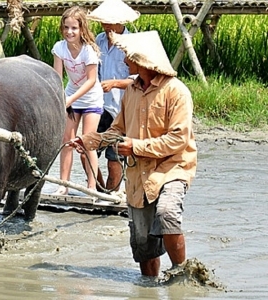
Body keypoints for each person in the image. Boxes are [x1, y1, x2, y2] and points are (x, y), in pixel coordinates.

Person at [68, 30, 197, 277]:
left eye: (128, 57)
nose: (125, 61)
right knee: (142, 242)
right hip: (139, 173)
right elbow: (117, 130)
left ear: (143, 60)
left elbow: (178, 139)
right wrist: (89, 141)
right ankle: (148, 287)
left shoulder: (176, 91)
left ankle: (182, 274)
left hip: (172, 168)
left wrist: (135, 147)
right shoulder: (132, 91)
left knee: (167, 213)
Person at [82, 0, 140, 193]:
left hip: (122, 109)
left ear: (120, 21)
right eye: (103, 21)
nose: (105, 25)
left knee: (114, 160)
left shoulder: (132, 44)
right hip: (99, 107)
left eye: (109, 21)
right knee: (85, 150)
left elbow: (139, 80)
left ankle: (111, 194)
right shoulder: (98, 40)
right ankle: (98, 190)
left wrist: (115, 83)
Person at [51, 6, 104, 195]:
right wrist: (60, 98)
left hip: (91, 98)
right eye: (66, 27)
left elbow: (91, 81)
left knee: (87, 141)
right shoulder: (59, 48)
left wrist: (70, 99)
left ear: (82, 29)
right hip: (71, 96)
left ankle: (91, 186)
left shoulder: (89, 51)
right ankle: (63, 185)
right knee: (66, 141)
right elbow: (58, 77)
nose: (69, 32)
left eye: (74, 28)